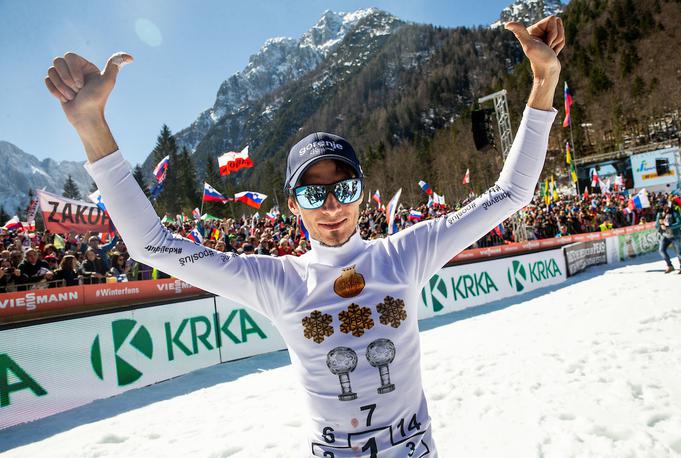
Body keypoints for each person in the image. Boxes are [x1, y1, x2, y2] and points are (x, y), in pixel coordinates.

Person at [45, 16, 564, 457]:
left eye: (344, 187)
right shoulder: (280, 281)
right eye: (313, 195)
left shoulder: (405, 254)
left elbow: (511, 193)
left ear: (364, 192)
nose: (332, 206)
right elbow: (152, 246)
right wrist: (93, 127)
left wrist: (543, 83)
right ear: (293, 207)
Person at [655, 199, 681, 274]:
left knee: (678, 252)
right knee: (661, 250)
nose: (661, 206)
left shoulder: (674, 211)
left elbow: (679, 223)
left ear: (666, 204)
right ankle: (670, 266)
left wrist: (669, 226)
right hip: (665, 235)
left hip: (675, 235)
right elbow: (657, 225)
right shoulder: (660, 213)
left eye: (662, 205)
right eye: (660, 205)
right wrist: (660, 227)